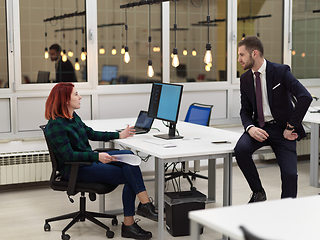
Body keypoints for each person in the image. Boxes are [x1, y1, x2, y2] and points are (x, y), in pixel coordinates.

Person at [45, 82, 157, 239]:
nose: (80, 97)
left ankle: (144, 206)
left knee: (128, 156)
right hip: (75, 170)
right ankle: (131, 222)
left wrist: (119, 135)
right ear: (65, 100)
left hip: (87, 162)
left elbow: (91, 133)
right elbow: (68, 156)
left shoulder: (72, 117)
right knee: (130, 175)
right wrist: (97, 156)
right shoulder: (56, 125)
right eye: (76, 94)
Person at [234, 36, 312, 203]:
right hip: (259, 128)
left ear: (254, 53)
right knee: (240, 150)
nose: (239, 59)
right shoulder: (245, 79)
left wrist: (291, 126)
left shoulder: (281, 71)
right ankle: (258, 192)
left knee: (290, 175)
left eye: (242, 55)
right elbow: (245, 110)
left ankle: (285, 210)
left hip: (283, 130)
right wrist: (250, 127)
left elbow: (305, 97)